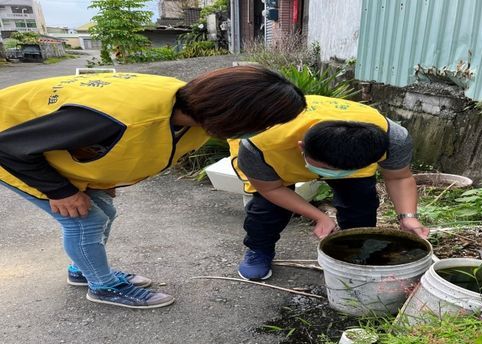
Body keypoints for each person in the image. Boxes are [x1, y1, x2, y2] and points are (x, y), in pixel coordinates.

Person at [0, 66, 306, 309]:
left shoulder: (186, 108)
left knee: (103, 210)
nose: (264, 131)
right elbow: (9, 147)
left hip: (39, 146)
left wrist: (101, 179)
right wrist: (60, 192)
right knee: (85, 219)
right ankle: (104, 287)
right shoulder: (119, 118)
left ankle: (84, 270)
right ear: (233, 114)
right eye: (264, 123)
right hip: (11, 146)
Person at [229, 95, 429, 281]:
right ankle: (259, 250)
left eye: (344, 171)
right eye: (328, 170)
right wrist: (318, 216)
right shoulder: (257, 144)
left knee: (361, 203)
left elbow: (399, 177)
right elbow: (270, 189)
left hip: (347, 160)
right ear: (301, 147)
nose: (336, 174)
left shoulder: (393, 139)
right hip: (277, 159)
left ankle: (357, 248)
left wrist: (408, 216)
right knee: (266, 210)